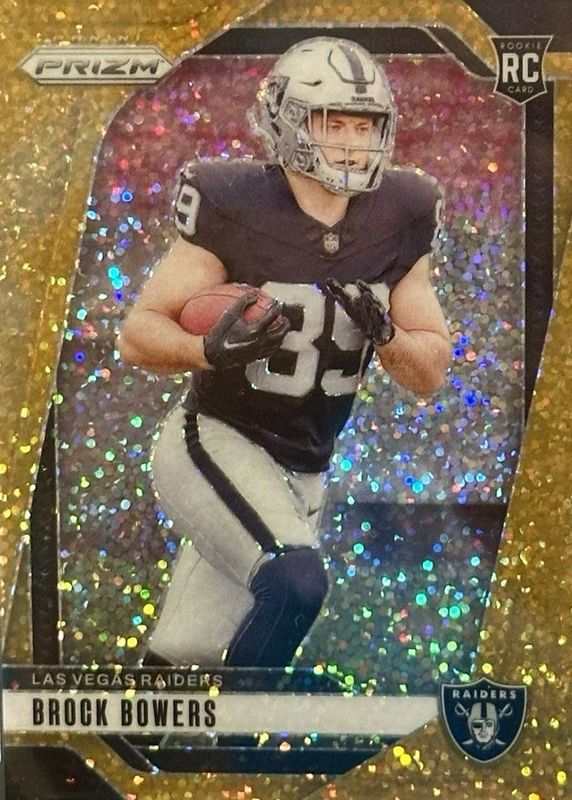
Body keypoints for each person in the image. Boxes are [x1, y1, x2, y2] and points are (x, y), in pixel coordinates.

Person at [119, 36, 451, 669]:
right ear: (289, 122)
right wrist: (205, 349)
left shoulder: (402, 212)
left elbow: (430, 369)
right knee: (294, 585)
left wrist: (388, 335)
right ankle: (252, 732)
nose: (353, 142)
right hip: (217, 440)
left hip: (306, 467)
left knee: (182, 657)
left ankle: (167, 730)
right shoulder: (232, 201)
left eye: (365, 125)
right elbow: (138, 335)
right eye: (333, 123)